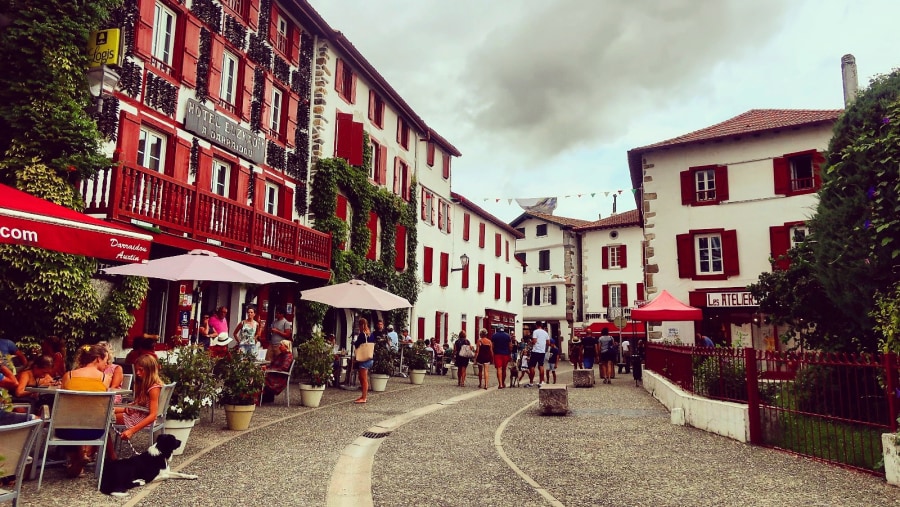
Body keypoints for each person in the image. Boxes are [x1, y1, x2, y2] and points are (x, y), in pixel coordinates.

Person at [60, 344, 111, 477]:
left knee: (71, 419)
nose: (107, 364)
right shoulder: (105, 378)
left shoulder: (68, 376)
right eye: (106, 360)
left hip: (67, 431)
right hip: (94, 431)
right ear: (98, 359)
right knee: (86, 418)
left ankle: (76, 460)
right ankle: (81, 458)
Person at [114, 354, 163, 454]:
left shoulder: (154, 388)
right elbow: (140, 404)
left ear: (150, 370)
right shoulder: (146, 383)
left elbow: (153, 415)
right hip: (139, 413)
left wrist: (131, 431)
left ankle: (108, 455)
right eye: (137, 370)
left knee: (107, 419)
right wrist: (131, 406)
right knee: (109, 413)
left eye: (141, 370)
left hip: (144, 418)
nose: (138, 373)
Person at [353, 317, 375, 404]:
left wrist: (355, 341)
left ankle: (364, 397)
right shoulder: (370, 334)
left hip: (364, 359)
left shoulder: (362, 334)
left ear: (361, 325)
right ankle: (363, 395)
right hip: (370, 358)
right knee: (361, 377)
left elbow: (358, 344)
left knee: (363, 379)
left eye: (359, 325)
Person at [526, 321, 550, 387]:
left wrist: (530, 342)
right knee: (541, 366)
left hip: (535, 351)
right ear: (541, 325)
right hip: (542, 351)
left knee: (532, 366)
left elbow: (534, 341)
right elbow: (548, 342)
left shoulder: (535, 331)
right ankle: (541, 381)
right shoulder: (545, 333)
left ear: (536, 325)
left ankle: (531, 382)